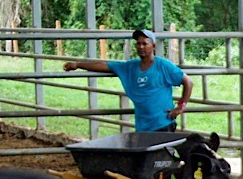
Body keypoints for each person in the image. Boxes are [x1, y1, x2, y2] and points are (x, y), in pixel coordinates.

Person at [63, 29, 193, 132]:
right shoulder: (129, 67)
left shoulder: (163, 65)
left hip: (163, 123)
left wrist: (181, 106)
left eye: (145, 43)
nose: (141, 47)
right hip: (143, 126)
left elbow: (188, 82)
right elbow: (104, 65)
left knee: (162, 161)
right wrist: (78, 64)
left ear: (153, 46)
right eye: (138, 43)